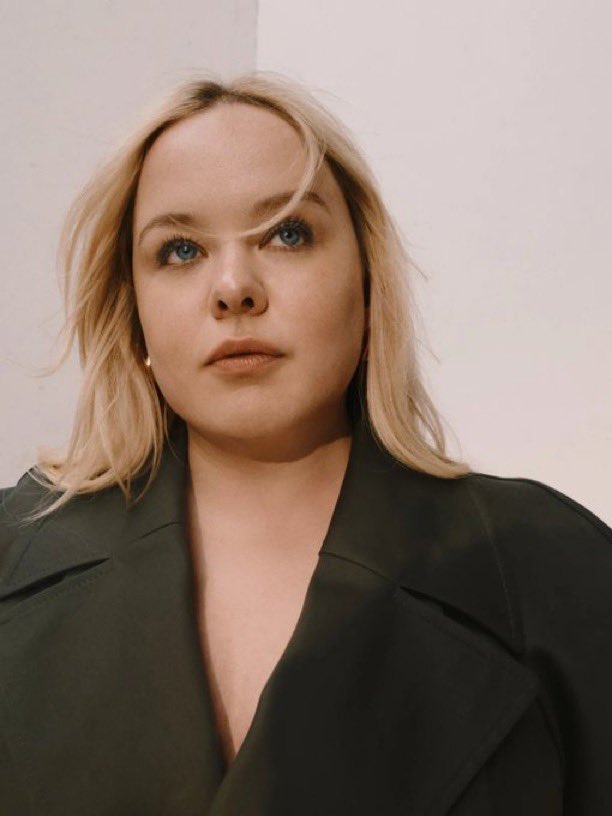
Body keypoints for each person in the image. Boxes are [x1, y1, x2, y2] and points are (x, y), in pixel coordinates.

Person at [0, 71, 610, 816]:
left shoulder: (558, 570)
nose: (234, 288)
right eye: (181, 250)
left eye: (288, 234)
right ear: (133, 316)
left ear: (367, 282)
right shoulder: (9, 555)